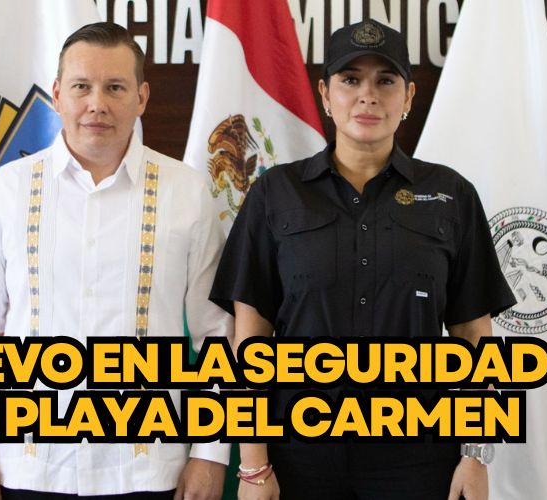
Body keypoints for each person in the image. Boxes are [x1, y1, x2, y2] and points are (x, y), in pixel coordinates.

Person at [210, 19, 516, 500]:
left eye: (385, 81)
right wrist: (253, 466)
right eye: (350, 79)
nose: (367, 96)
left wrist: (475, 455)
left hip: (418, 457)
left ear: (408, 96)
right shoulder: (275, 193)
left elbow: (474, 338)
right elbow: (250, 341)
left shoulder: (451, 194)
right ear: (325, 94)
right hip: (298, 455)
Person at [0, 22, 233, 500]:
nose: (97, 104)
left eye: (115, 87)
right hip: (30, 470)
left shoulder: (185, 191)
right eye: (82, 86)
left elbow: (217, 334)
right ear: (58, 94)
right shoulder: (9, 189)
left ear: (141, 97)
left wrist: (210, 453)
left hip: (148, 473)